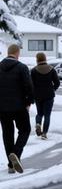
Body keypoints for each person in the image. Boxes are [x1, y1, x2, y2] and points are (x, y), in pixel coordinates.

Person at [0, 43, 34, 174]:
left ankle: (11, 165)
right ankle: (15, 154)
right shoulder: (22, 67)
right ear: (17, 53)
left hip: (2, 108)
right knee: (25, 129)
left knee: (7, 134)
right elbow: (29, 86)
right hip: (19, 106)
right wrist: (29, 102)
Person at [31, 52, 60, 140]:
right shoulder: (52, 69)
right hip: (49, 95)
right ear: (45, 58)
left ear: (37, 59)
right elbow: (57, 83)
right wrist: (53, 89)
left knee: (40, 113)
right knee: (47, 115)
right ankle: (44, 133)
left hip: (38, 95)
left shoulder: (33, 70)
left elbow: (31, 84)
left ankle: (38, 123)